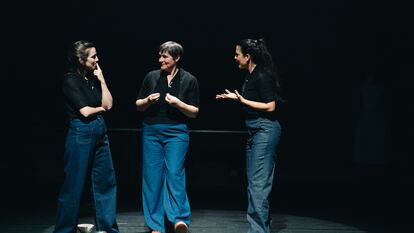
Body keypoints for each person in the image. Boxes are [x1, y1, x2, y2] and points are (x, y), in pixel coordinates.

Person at [216, 38, 283, 233]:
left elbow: (271, 106)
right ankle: (260, 228)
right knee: (254, 183)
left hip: (265, 129)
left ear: (248, 56)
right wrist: (237, 99)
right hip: (254, 130)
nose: (235, 57)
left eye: (238, 54)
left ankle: (258, 231)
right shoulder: (250, 75)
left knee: (258, 185)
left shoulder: (262, 75)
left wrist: (242, 100)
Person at [53, 40, 120, 233]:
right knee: (73, 185)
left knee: (105, 182)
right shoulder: (70, 80)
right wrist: (101, 109)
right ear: (81, 59)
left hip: (100, 129)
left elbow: (109, 103)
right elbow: (85, 111)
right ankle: (64, 230)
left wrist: (102, 79)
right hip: (81, 132)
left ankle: (108, 229)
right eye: (93, 56)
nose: (97, 60)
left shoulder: (90, 79)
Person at [136, 41, 199, 233]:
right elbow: (138, 105)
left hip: (176, 132)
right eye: (160, 56)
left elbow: (194, 112)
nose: (160, 59)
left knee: (174, 173)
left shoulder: (189, 79)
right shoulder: (151, 77)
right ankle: (156, 225)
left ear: (176, 58)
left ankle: (179, 219)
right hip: (152, 131)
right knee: (152, 177)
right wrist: (146, 100)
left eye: (165, 56)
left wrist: (179, 104)